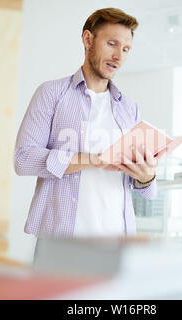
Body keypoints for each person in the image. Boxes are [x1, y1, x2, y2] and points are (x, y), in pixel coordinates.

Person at [14, 8, 164, 245]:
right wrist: (94, 159)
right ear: (87, 40)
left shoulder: (129, 109)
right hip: (61, 242)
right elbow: (23, 159)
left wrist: (146, 176)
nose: (119, 56)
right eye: (112, 44)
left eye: (125, 49)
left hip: (117, 243)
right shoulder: (52, 93)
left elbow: (148, 192)